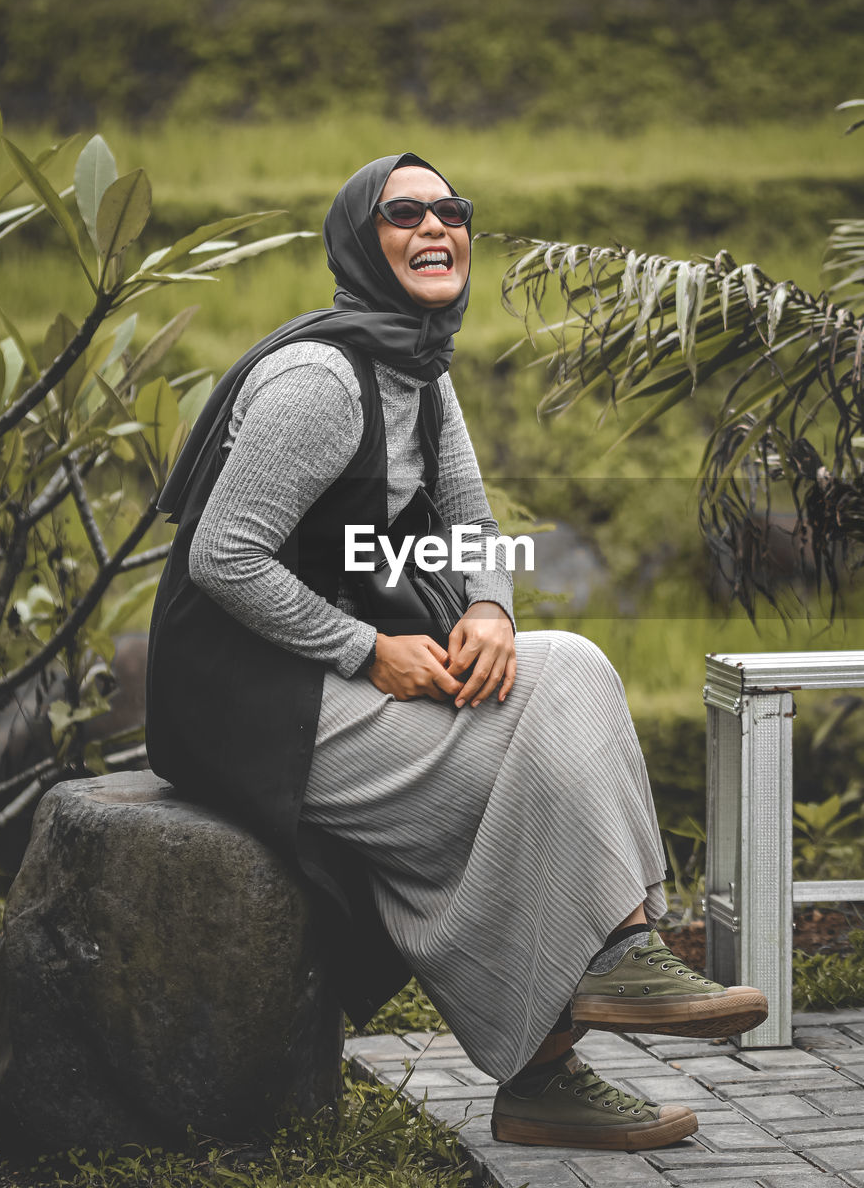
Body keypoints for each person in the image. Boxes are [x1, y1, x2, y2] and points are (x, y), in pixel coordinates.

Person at [145, 153, 768, 1153]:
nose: (435, 225)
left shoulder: (416, 369)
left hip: (328, 671)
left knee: (566, 663)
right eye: (403, 212)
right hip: (252, 697)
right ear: (360, 239)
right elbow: (223, 555)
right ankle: (557, 1045)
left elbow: (471, 519)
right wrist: (364, 649)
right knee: (511, 777)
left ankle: (597, 979)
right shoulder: (321, 381)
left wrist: (487, 608)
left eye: (451, 209)